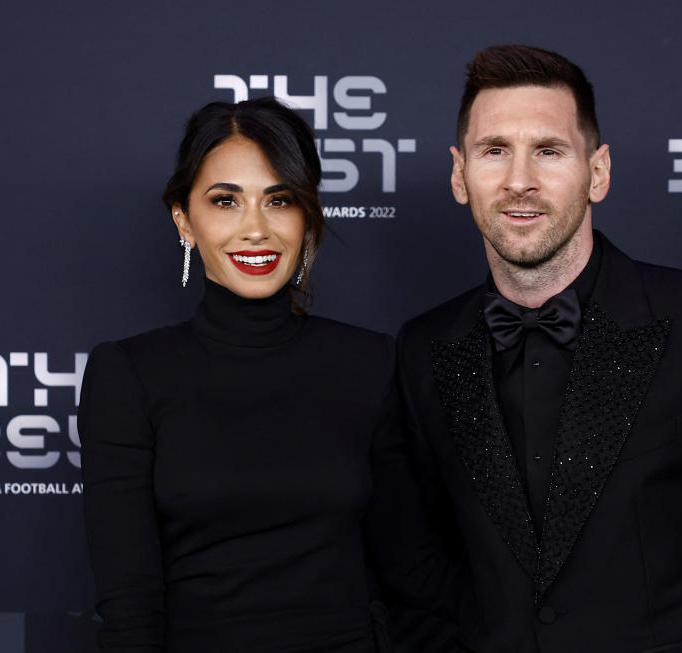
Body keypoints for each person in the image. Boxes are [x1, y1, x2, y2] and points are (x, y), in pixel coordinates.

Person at [396, 45, 682, 652]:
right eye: (494, 151)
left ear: (597, 171)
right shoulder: (424, 347)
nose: (519, 180)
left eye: (548, 151)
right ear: (458, 174)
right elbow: (416, 570)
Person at [79, 97, 453, 652]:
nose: (255, 228)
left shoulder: (368, 363)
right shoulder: (129, 374)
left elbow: (411, 566)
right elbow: (130, 607)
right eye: (225, 201)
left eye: (279, 200)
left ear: (307, 216)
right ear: (184, 219)